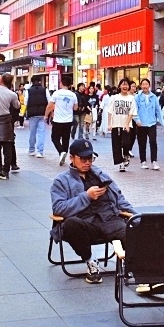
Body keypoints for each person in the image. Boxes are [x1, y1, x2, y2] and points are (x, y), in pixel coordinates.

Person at [51, 139, 136, 284]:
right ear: (72, 158)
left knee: (132, 229)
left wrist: (135, 216)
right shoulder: (61, 181)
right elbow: (59, 209)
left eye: (90, 158)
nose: (87, 162)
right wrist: (86, 196)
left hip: (108, 219)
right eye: (83, 159)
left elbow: (119, 198)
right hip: (84, 223)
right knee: (71, 224)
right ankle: (90, 261)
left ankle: (140, 269)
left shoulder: (100, 175)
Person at [105, 78, 137, 172]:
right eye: (123, 84)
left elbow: (131, 112)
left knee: (126, 142)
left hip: (126, 125)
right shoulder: (114, 98)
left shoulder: (131, 98)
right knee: (116, 144)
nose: (125, 86)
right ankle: (121, 163)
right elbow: (110, 111)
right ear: (119, 86)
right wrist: (109, 124)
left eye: (127, 85)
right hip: (115, 124)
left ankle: (126, 154)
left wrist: (127, 124)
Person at [46, 76, 78, 166]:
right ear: (70, 84)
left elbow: (49, 105)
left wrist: (46, 116)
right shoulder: (73, 95)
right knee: (65, 138)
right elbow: (75, 107)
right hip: (68, 120)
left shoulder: (56, 93)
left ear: (61, 83)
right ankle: (64, 154)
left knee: (54, 138)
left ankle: (61, 152)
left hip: (58, 120)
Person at [134, 78, 163, 170]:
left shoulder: (153, 97)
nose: (145, 86)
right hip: (141, 124)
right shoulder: (137, 97)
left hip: (151, 123)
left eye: (146, 84)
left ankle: (154, 161)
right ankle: (143, 161)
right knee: (142, 143)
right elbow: (135, 110)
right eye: (143, 84)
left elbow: (158, 110)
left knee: (153, 142)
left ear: (149, 86)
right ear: (141, 86)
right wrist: (137, 120)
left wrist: (162, 122)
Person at [26, 76, 50, 158]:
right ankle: (40, 152)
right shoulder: (45, 90)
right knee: (41, 133)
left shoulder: (28, 91)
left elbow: (26, 102)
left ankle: (31, 150)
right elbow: (49, 101)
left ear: (31, 82)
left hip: (32, 114)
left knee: (32, 132)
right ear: (40, 81)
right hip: (43, 113)